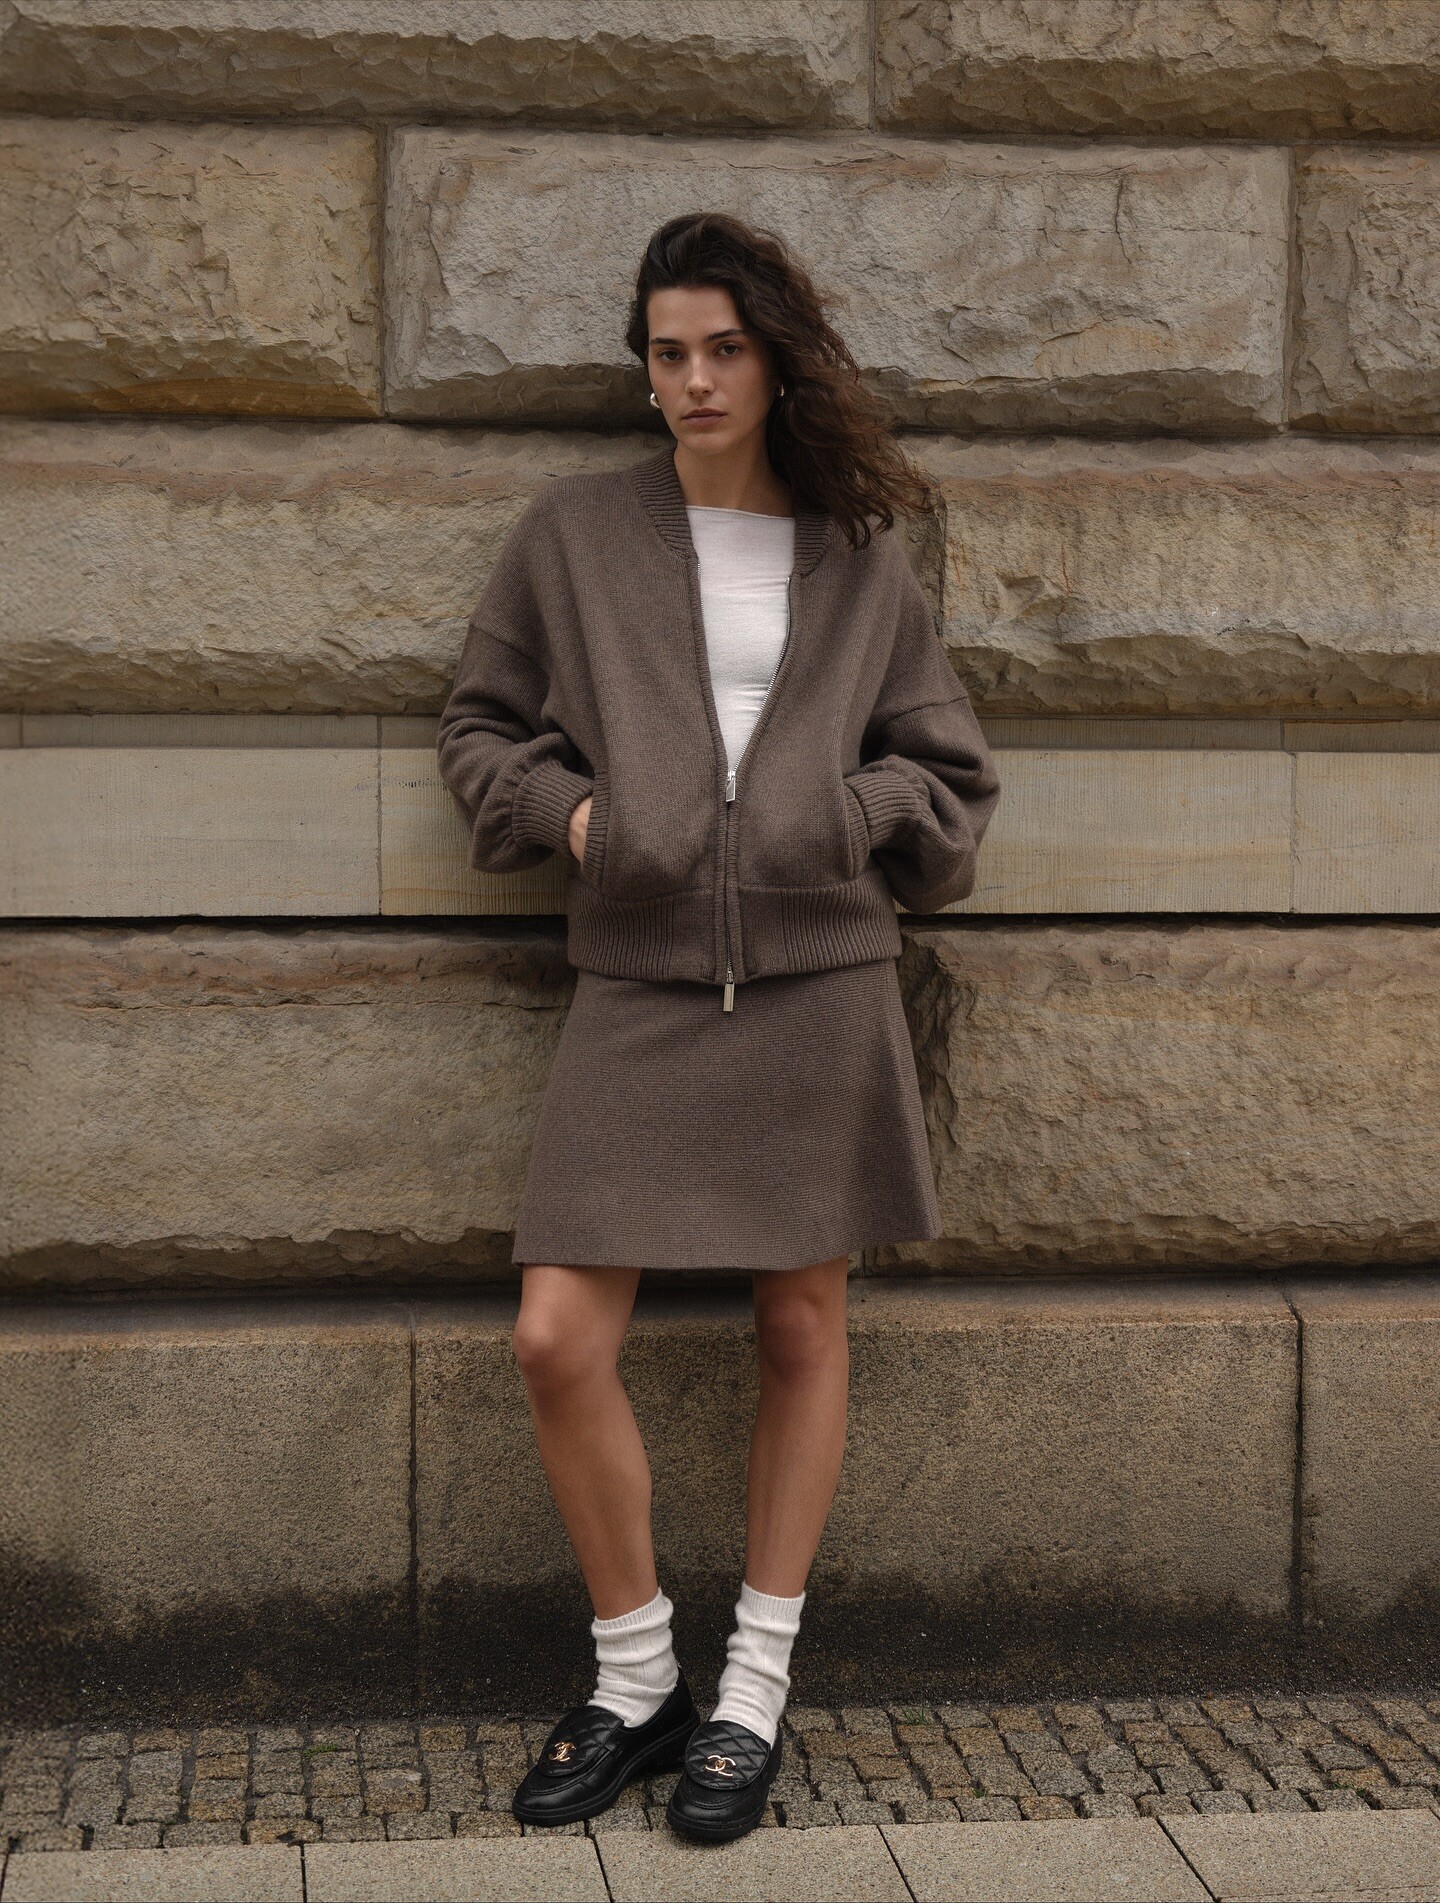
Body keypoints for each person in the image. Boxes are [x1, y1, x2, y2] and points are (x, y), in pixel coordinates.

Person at [436, 211, 999, 1843]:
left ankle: (750, 1692)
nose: (693, 379)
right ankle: (635, 1680)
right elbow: (477, 731)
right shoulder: (573, 538)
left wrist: (846, 813)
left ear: (773, 362)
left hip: (819, 985)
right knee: (555, 1336)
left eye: (723, 349)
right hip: (639, 985)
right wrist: (579, 821)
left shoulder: (858, 551)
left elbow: (947, 768)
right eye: (668, 352)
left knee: (801, 1330)